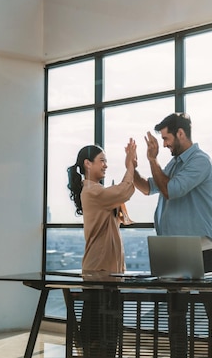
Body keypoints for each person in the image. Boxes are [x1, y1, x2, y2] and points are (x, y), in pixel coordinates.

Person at [133, 112, 212, 358]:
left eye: (167, 138)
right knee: (176, 313)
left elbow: (171, 190)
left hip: (202, 249)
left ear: (181, 133)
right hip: (176, 248)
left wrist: (153, 159)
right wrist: (132, 169)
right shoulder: (175, 163)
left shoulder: (201, 161)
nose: (165, 144)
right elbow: (150, 188)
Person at [67, 139, 137, 357]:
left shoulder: (98, 192)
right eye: (102, 161)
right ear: (88, 164)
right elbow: (124, 191)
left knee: (107, 330)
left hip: (108, 269)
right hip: (99, 269)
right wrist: (130, 166)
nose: (106, 165)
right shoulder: (91, 191)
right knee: (98, 333)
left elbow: (121, 213)